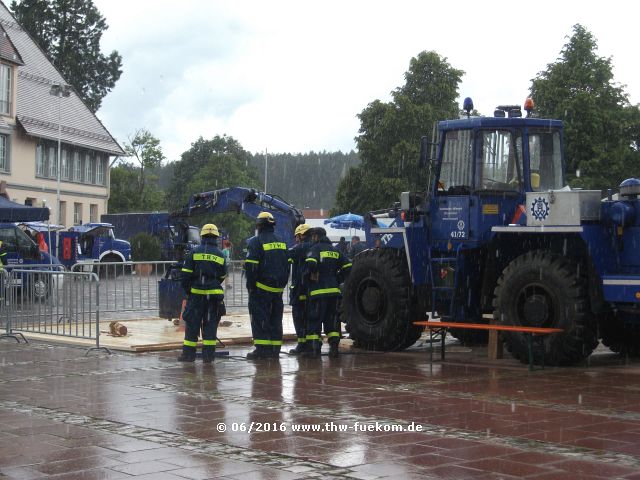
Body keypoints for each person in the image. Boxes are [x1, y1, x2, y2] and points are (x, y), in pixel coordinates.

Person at [178, 223, 227, 363]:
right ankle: (208, 357)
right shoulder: (220, 254)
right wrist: (212, 284)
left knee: (192, 325)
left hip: (196, 297)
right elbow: (222, 276)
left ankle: (188, 356)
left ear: (202, 236)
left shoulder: (194, 253)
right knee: (210, 326)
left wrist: (190, 291)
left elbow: (185, 276)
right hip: (214, 298)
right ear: (216, 237)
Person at [244, 211, 289, 359]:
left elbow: (251, 267)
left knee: (260, 319)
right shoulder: (282, 241)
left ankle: (262, 349)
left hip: (261, 289)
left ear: (259, 226)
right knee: (276, 319)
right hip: (277, 290)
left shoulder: (256, 242)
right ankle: (275, 348)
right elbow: (287, 266)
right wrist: (282, 284)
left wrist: (251, 286)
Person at [304, 227, 352, 358]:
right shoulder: (335, 250)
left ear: (316, 237)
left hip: (318, 292)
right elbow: (348, 266)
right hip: (334, 292)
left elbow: (310, 262)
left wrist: (314, 273)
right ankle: (334, 349)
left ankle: (314, 350)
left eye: (313, 236)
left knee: (315, 320)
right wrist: (337, 278)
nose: (312, 238)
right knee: (332, 322)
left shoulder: (315, 248)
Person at [287, 223, 312, 355]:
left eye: (297, 236)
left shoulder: (300, 248)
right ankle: (312, 345)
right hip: (313, 291)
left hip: (300, 290)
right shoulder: (316, 247)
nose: (296, 239)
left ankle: (302, 344)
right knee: (311, 319)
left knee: (299, 318)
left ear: (302, 235)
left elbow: (286, 255)